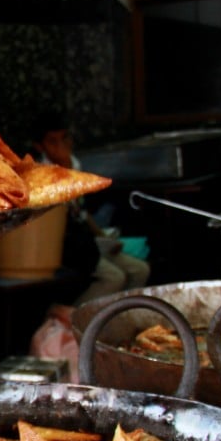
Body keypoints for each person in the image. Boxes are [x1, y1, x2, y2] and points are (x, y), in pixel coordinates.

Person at [30, 111, 149, 304]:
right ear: (40, 146)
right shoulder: (39, 173)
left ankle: (122, 319)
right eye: (53, 141)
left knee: (140, 270)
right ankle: (73, 321)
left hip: (85, 241)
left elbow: (81, 212)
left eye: (64, 138)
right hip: (63, 248)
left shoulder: (74, 163)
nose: (61, 146)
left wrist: (103, 237)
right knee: (114, 278)